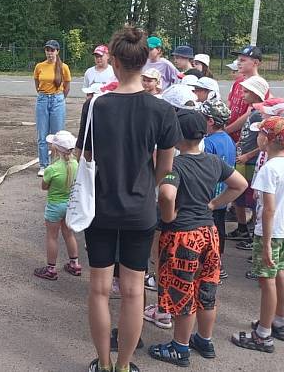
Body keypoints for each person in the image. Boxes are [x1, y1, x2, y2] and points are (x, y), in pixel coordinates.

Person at [78, 26, 182, 372]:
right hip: (140, 209)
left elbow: (86, 156)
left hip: (101, 208)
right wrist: (143, 187)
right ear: (144, 62)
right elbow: (165, 168)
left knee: (99, 289)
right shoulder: (163, 111)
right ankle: (124, 366)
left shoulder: (96, 107)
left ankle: (103, 364)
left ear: (115, 62)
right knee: (135, 291)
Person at [148, 109, 247, 367]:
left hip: (182, 237)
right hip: (208, 233)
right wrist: (214, 204)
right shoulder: (213, 161)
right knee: (206, 289)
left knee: (183, 293)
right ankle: (204, 339)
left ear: (177, 136)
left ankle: (179, 348)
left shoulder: (175, 166)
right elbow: (240, 184)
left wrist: (167, 217)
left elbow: (167, 195)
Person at [231, 116, 284, 353]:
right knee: (281, 275)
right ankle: (279, 321)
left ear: (267, 140)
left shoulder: (269, 170)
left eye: (260, 133)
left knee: (266, 280)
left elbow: (268, 209)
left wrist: (266, 243)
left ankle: (263, 334)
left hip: (270, 232)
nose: (256, 137)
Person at [227, 76, 269, 244]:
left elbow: (265, 142)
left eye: (246, 92)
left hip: (250, 161)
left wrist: (249, 154)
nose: (242, 95)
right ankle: (242, 227)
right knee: (239, 195)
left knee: (251, 197)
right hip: (242, 157)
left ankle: (252, 231)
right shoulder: (252, 111)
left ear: (255, 93)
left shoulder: (261, 115)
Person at [34, 130, 81, 280]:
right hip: (69, 206)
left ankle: (51, 269)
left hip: (55, 206)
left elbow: (44, 187)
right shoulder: (75, 164)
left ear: (55, 149)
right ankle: (74, 264)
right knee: (69, 234)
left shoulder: (51, 169)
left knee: (52, 237)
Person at [199, 99, 236, 278]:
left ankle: (209, 266)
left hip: (208, 196)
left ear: (210, 121)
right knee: (219, 230)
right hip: (223, 194)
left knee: (207, 232)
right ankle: (218, 265)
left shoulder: (208, 143)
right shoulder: (228, 139)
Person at [34, 39, 71, 177]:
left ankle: (56, 163)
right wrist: (44, 95)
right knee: (42, 134)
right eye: (47, 50)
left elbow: (67, 86)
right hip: (43, 99)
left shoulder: (63, 67)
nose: (50, 53)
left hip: (57, 99)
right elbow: (37, 83)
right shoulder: (39, 66)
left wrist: (60, 98)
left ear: (57, 51)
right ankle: (43, 165)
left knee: (57, 134)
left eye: (52, 50)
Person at [225, 46, 264, 142]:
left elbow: (249, 114)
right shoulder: (238, 82)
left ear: (256, 62)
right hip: (229, 135)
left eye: (243, 60)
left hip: (244, 138)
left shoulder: (259, 85)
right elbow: (229, 105)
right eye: (238, 60)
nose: (238, 63)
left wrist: (226, 130)